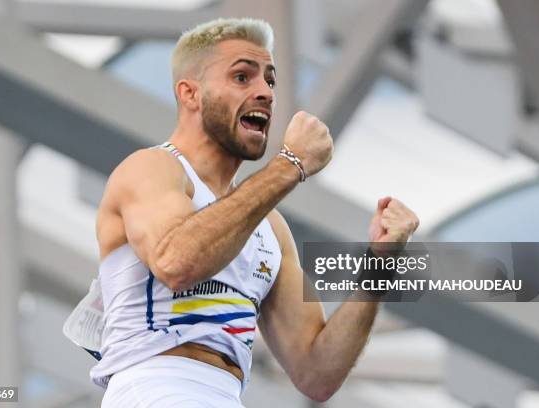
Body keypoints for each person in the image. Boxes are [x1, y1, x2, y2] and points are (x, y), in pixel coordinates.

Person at [91, 17, 419, 407]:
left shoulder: (269, 228)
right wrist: (290, 163)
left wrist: (379, 264)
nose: (265, 92)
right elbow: (177, 262)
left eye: (270, 80)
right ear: (190, 94)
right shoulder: (153, 169)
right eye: (242, 77)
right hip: (155, 387)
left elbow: (317, 372)